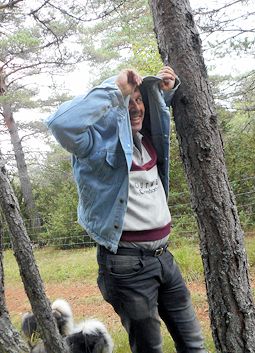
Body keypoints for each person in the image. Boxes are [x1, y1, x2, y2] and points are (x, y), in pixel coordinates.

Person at [45, 66, 207, 353]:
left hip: (164, 258)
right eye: (127, 101)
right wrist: (115, 90)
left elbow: (156, 111)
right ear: (113, 108)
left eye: (139, 100)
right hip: (127, 266)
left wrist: (164, 90)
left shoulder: (145, 139)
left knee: (194, 343)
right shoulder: (92, 145)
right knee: (150, 349)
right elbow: (60, 123)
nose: (135, 108)